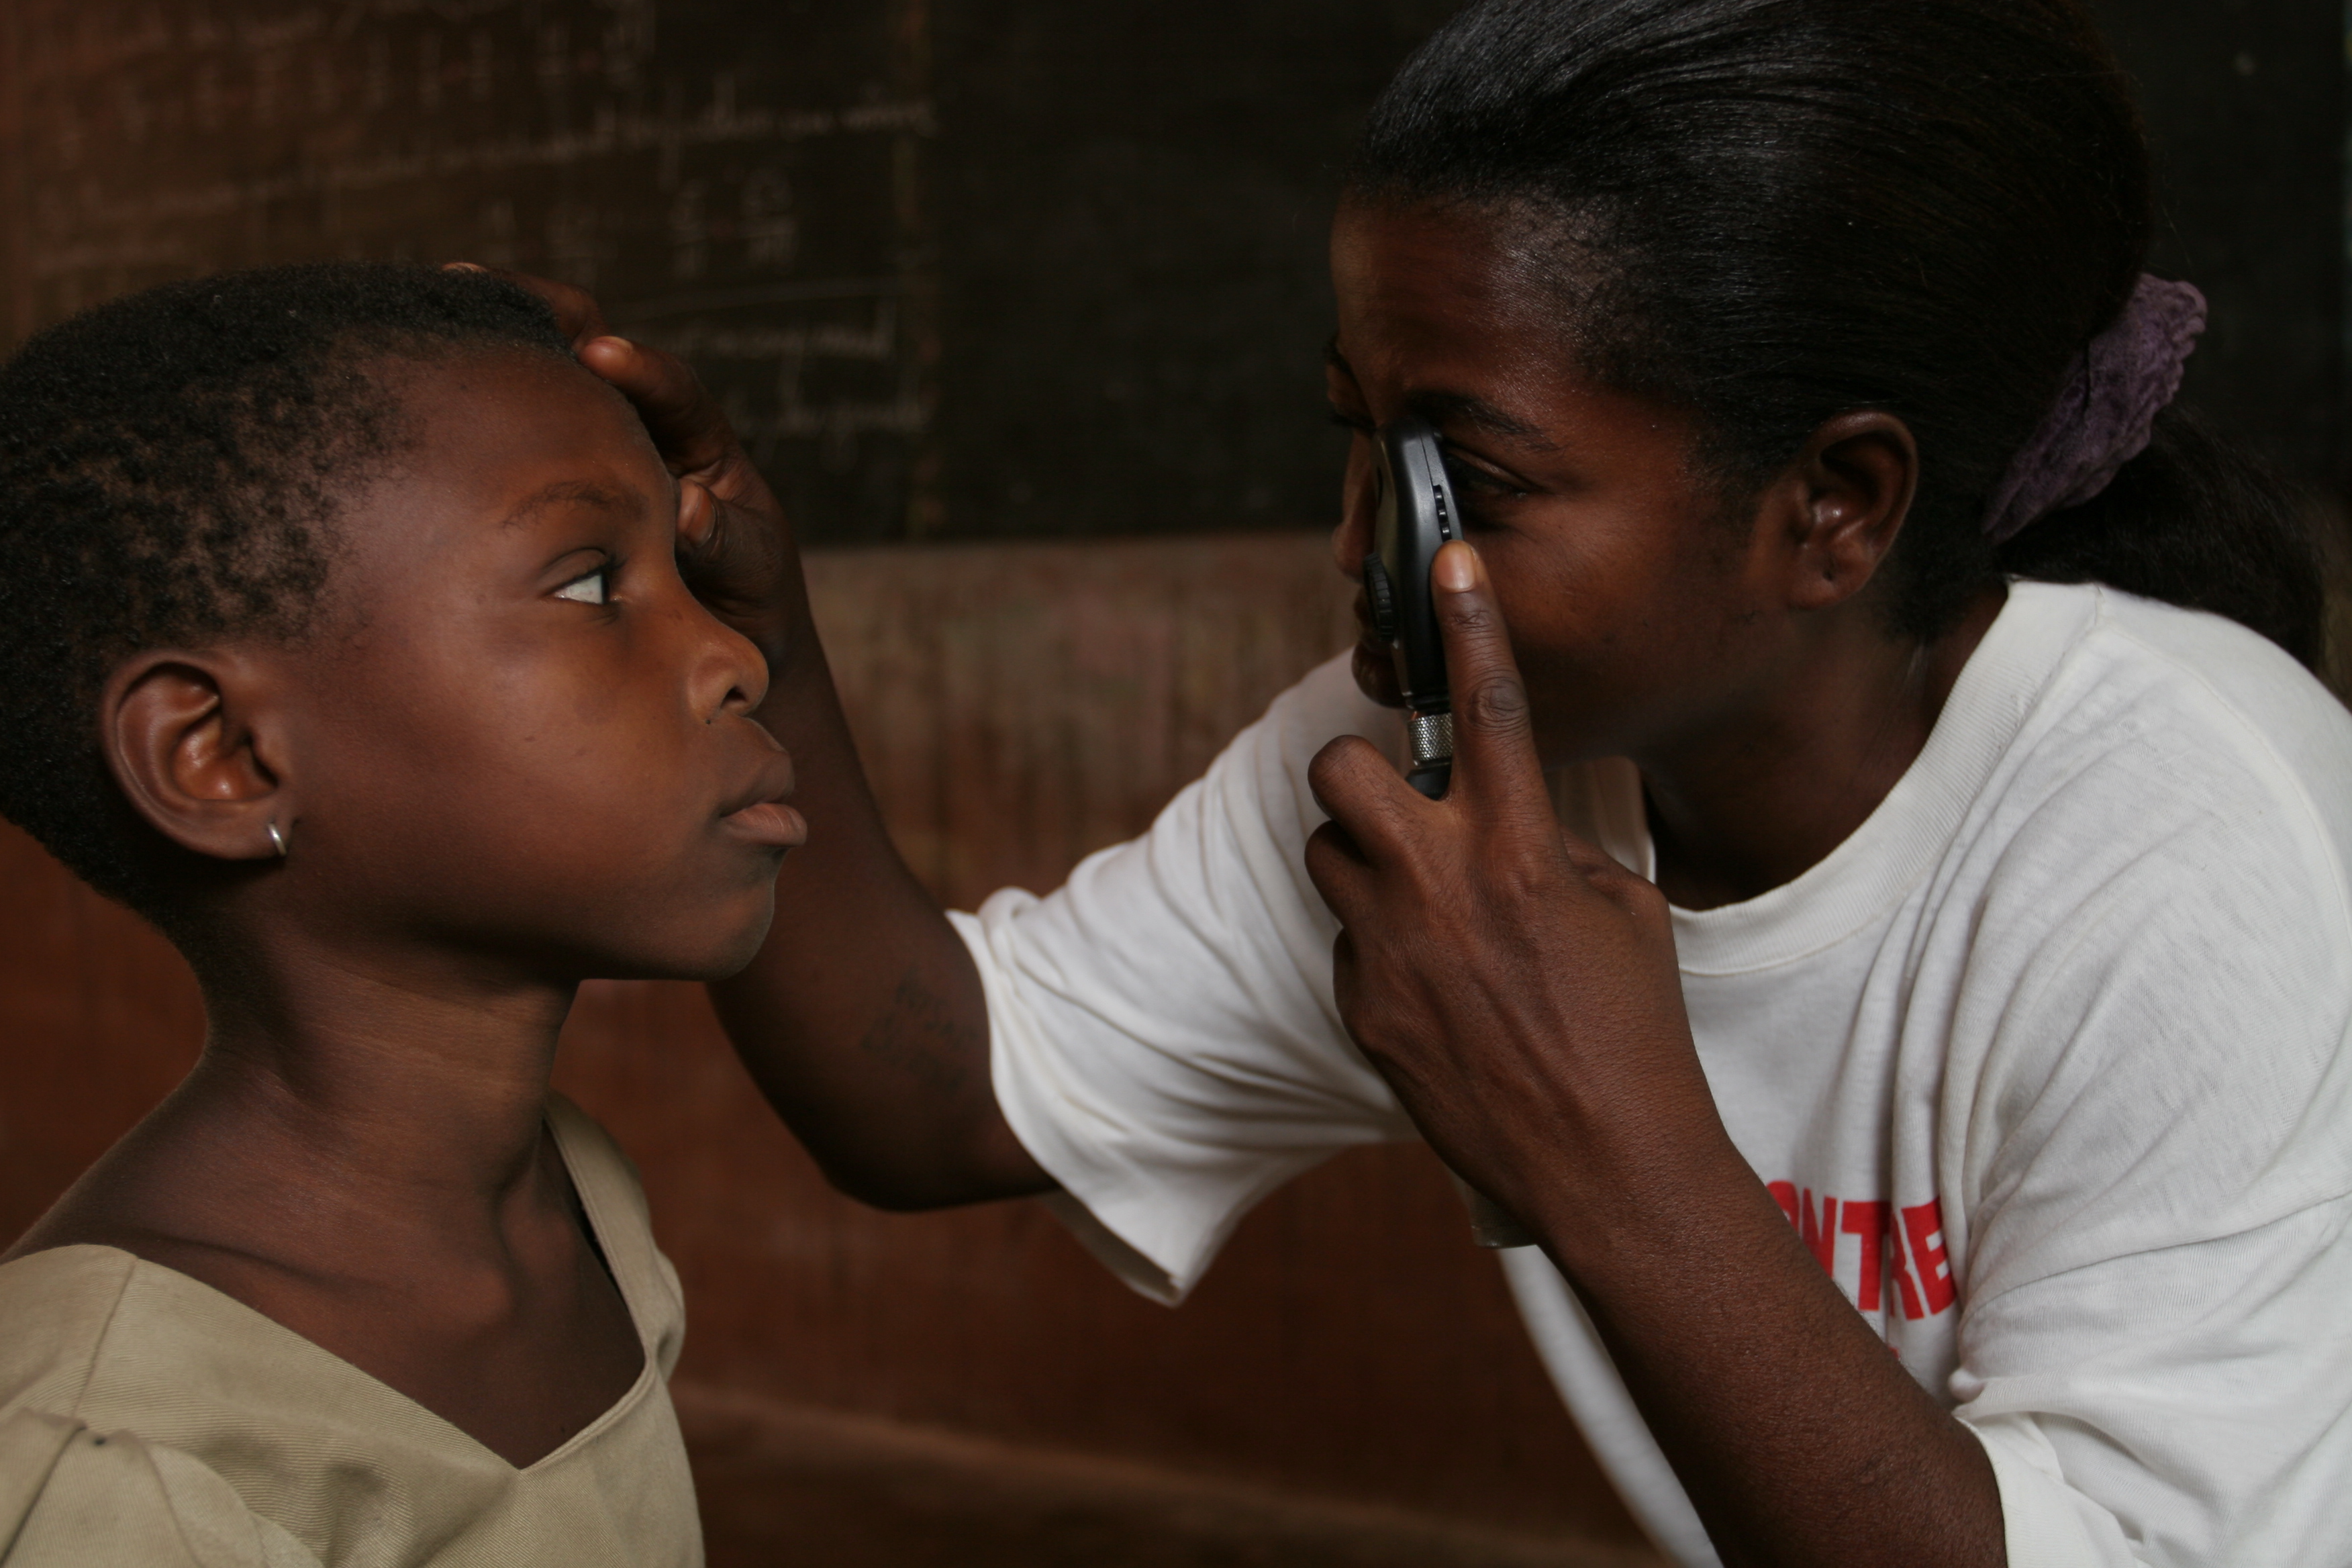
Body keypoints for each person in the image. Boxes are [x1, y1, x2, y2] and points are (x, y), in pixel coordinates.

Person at [532, 0, 2351, 1563]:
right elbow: (935, 1101)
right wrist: (760, 632)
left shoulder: (2191, 833)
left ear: (1835, 505)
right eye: (1358, 443)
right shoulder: (1440, 754)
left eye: (1462, 483)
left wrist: (1595, 1137)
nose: (1365, 554)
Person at [0, 262, 805, 1565]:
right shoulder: (106, 1456)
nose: (738, 658)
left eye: (688, 574)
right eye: (594, 585)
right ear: (222, 757)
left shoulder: (579, 1205)